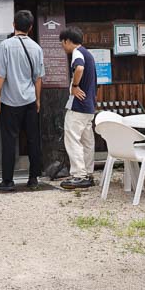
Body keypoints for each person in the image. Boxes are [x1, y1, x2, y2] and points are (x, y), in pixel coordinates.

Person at [0, 10, 45, 191]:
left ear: (14, 25)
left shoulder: (5, 46)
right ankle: (33, 178)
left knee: (8, 140)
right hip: (29, 99)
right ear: (30, 27)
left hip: (10, 101)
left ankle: (8, 180)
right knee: (32, 139)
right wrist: (37, 100)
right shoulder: (37, 48)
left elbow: (0, 75)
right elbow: (38, 78)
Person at [59, 27, 97, 190]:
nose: (62, 46)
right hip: (89, 105)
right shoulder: (88, 53)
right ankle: (88, 173)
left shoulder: (77, 53)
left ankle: (79, 175)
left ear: (67, 41)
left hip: (79, 106)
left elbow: (79, 68)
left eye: (62, 42)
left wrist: (74, 85)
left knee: (73, 138)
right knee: (87, 141)